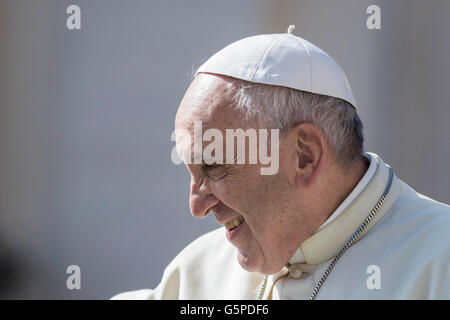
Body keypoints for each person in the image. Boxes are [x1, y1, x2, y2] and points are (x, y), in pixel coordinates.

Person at [112, 26, 450, 299]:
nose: (196, 206)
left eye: (213, 167)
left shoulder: (439, 258)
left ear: (304, 156)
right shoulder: (197, 272)